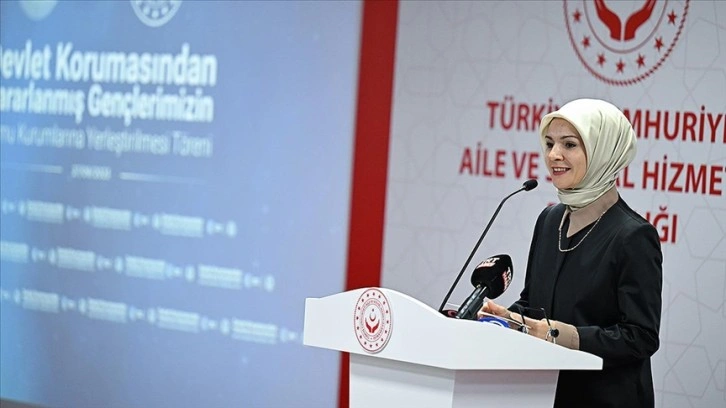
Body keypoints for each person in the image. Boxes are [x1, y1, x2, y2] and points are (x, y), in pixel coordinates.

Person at [480, 98, 663, 408]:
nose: (554, 155)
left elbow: (640, 337)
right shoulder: (549, 220)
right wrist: (506, 318)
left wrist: (560, 335)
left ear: (603, 151)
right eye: (549, 143)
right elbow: (534, 303)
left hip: (606, 399)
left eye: (569, 144)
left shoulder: (633, 236)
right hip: (543, 394)